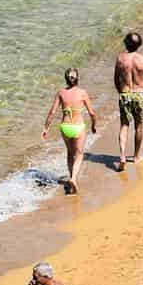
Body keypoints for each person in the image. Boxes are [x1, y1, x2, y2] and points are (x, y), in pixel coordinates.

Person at [44, 64, 96, 193]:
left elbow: (52, 112)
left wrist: (45, 128)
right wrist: (94, 125)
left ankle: (71, 177)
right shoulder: (82, 93)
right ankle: (73, 178)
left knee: (69, 152)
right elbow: (92, 113)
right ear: (77, 78)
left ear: (66, 79)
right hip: (78, 127)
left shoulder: (61, 93)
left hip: (65, 127)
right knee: (79, 154)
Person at [114, 30, 143, 166]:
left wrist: (120, 92)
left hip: (125, 94)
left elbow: (116, 79)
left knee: (124, 125)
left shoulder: (120, 59)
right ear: (139, 45)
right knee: (138, 126)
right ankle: (136, 156)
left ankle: (122, 156)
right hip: (139, 95)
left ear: (126, 43)